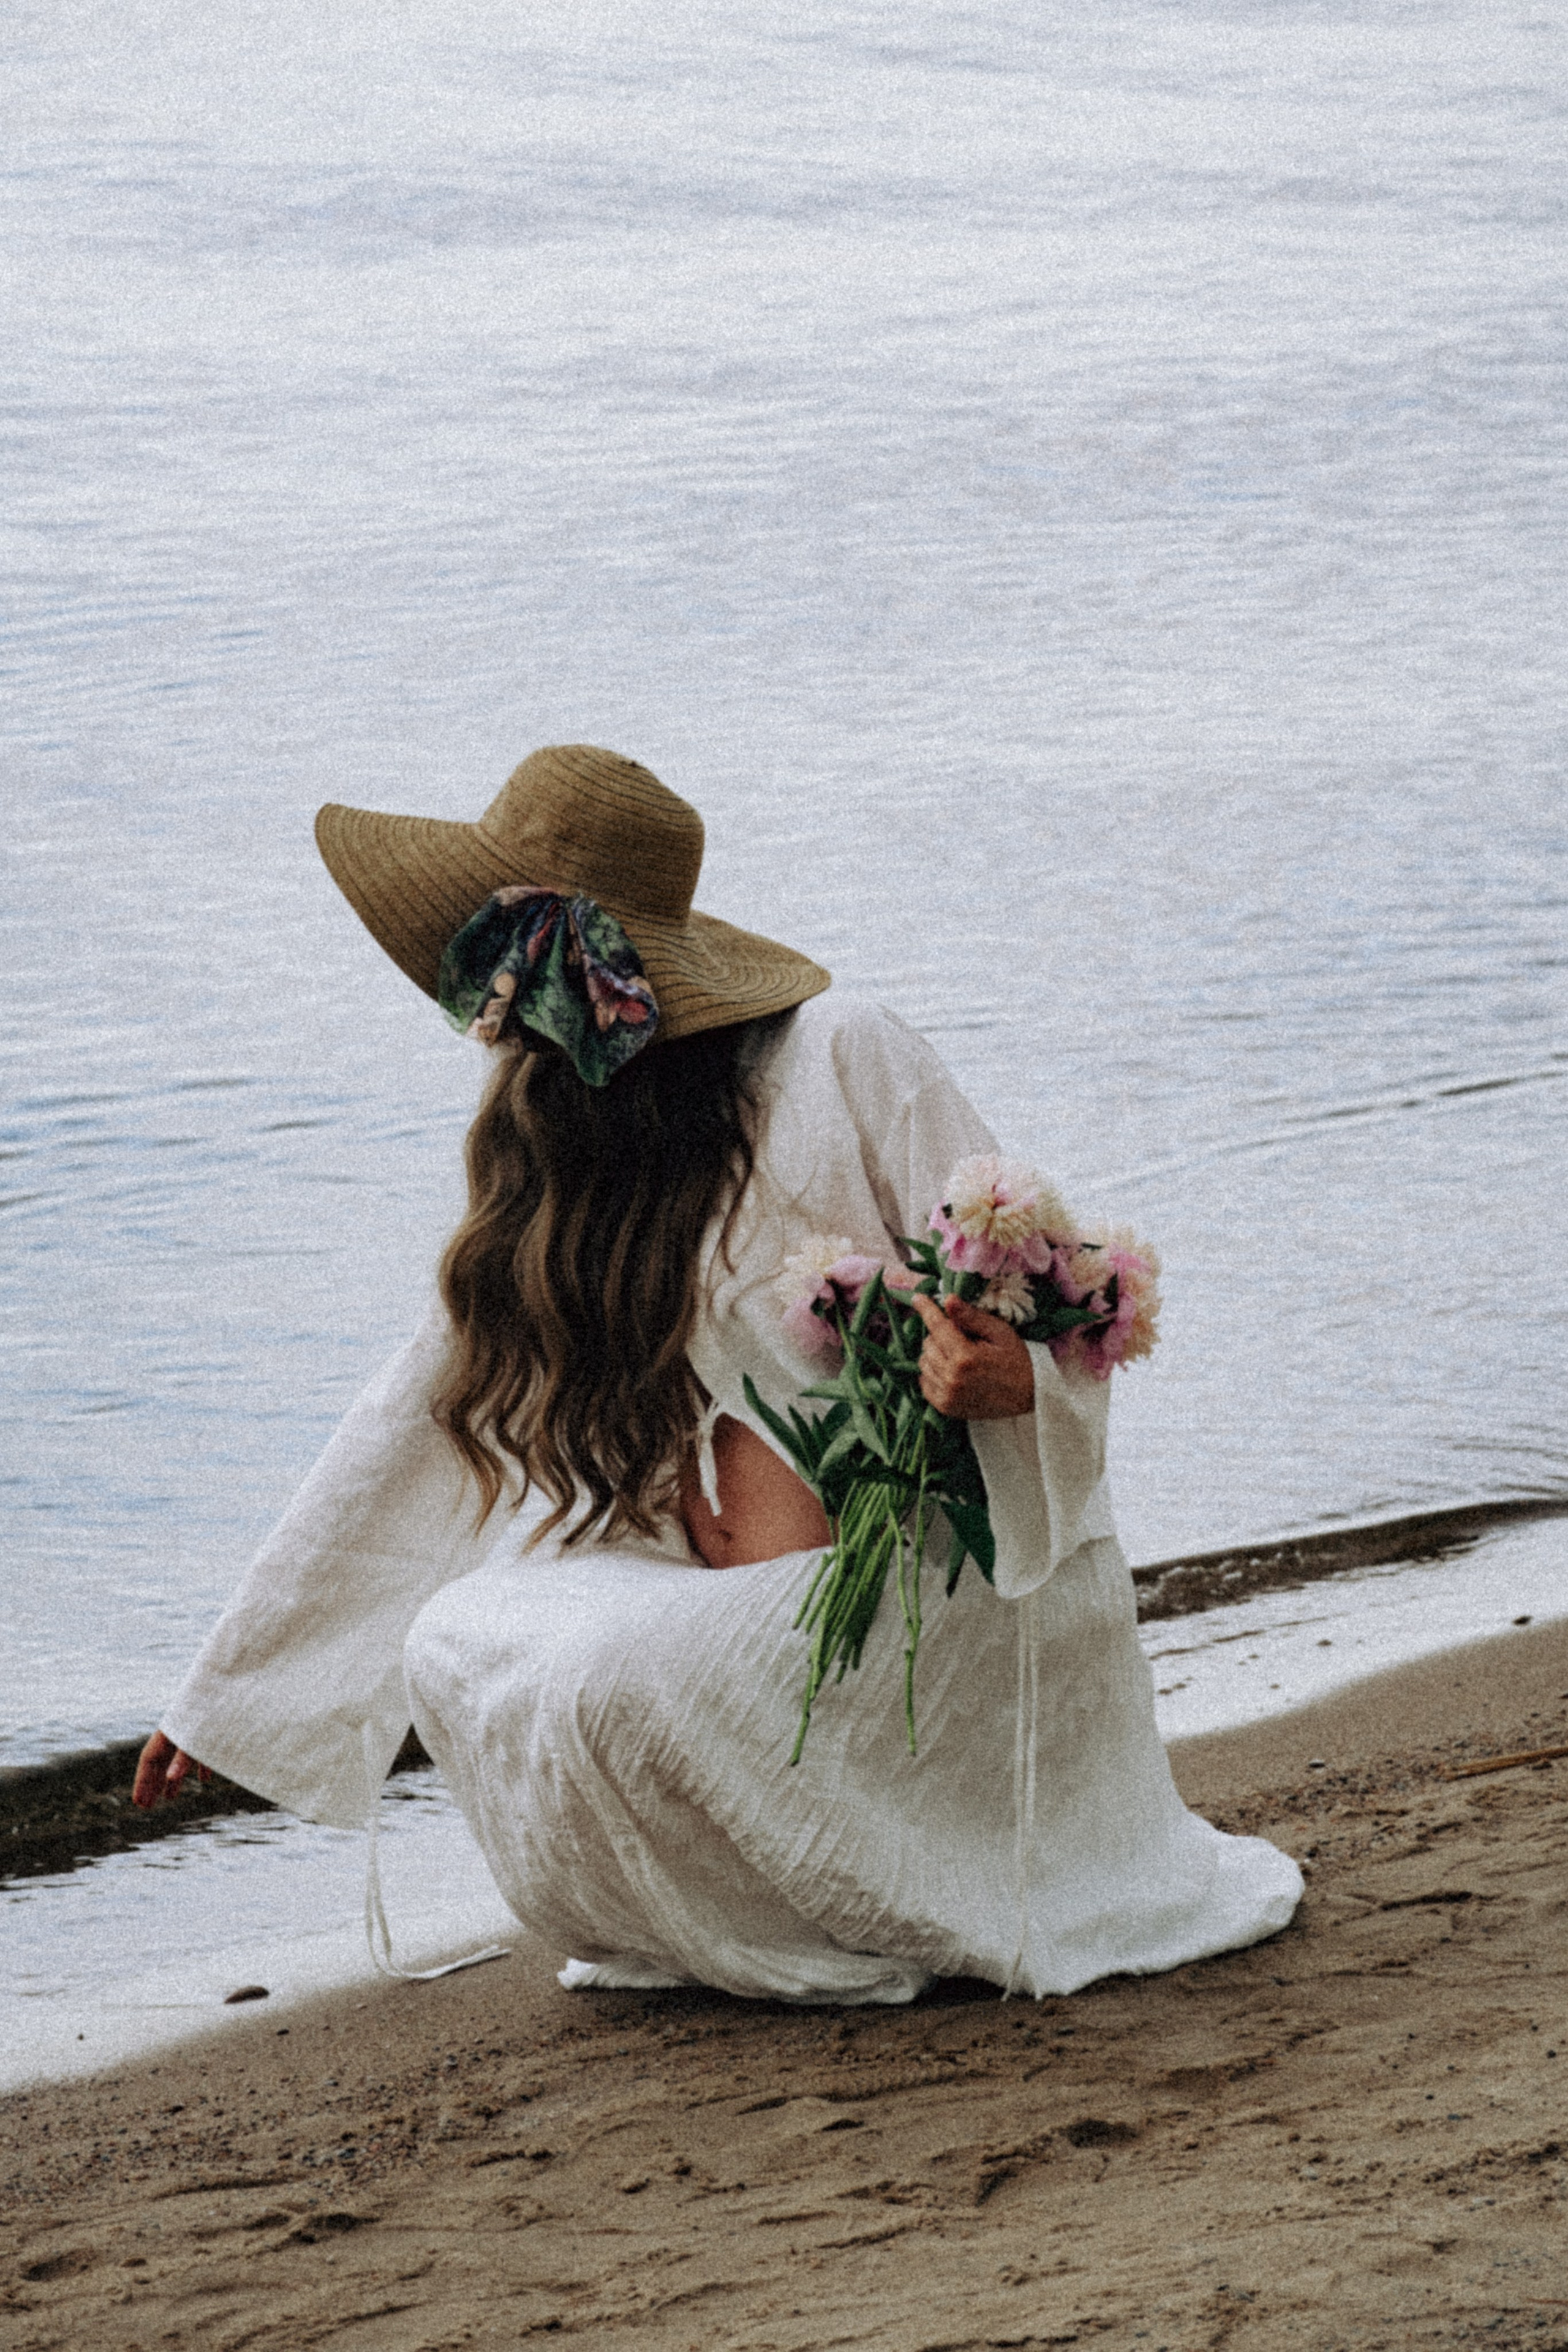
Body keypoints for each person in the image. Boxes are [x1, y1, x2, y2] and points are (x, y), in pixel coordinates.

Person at [135, 744, 1301, 2003]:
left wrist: (1006, 1378)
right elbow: (420, 1410)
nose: (500, 1003)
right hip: (709, 1582)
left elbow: (1048, 1303)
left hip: (927, 1589)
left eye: (519, 960)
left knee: (605, 1677)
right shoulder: (564, 1143)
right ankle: (738, 1922)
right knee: (460, 1640)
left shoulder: (841, 1054)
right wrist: (234, 1694)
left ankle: (836, 1909)